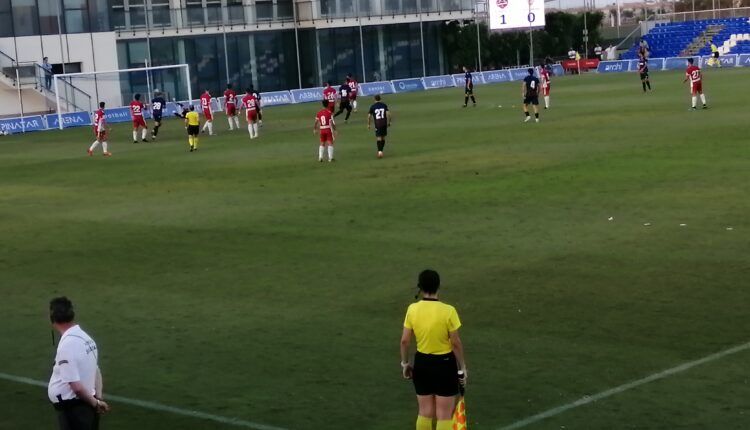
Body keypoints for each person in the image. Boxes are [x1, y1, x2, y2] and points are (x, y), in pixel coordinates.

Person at [400, 270, 466, 430]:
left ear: (420, 288)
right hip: (444, 364)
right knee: (444, 414)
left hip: (422, 363)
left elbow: (404, 341)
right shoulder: (448, 310)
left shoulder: (412, 309)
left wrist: (405, 363)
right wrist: (462, 367)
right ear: (439, 286)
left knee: (424, 412)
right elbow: (455, 343)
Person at [48, 297, 110, 430]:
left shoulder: (67, 346)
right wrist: (97, 398)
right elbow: (96, 370)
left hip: (75, 410)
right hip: (86, 407)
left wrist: (95, 403)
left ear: (52, 319)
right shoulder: (86, 338)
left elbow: (76, 387)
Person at [367, 94, 391, 159]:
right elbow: (388, 114)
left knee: (379, 138)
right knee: (383, 137)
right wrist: (389, 122)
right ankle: (381, 151)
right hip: (384, 123)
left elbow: (369, 116)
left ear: (374, 99)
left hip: (378, 124)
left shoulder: (373, 106)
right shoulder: (384, 105)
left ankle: (380, 152)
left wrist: (368, 124)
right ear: (380, 99)